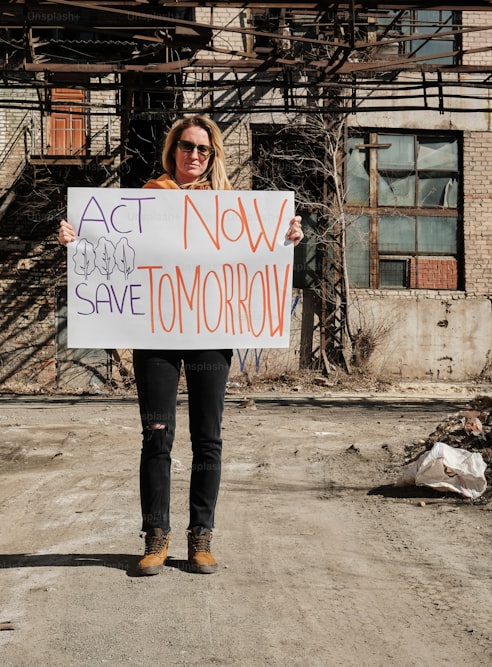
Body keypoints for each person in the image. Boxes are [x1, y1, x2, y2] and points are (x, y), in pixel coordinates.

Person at [58, 115, 303, 575]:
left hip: (211, 335)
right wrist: (75, 240)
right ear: (173, 150)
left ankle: (200, 539)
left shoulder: (232, 209)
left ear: (213, 157)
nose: (194, 155)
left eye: (204, 150)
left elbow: (256, 255)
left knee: (208, 438)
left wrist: (286, 238)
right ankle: (156, 538)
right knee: (157, 437)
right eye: (187, 146)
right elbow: (111, 248)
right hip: (156, 339)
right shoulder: (146, 199)